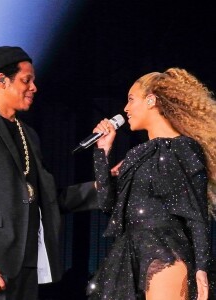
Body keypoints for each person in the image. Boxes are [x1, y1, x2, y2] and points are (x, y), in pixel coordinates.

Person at [0, 46, 96, 299]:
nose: (34, 87)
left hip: (27, 261)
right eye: (26, 80)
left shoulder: (29, 135)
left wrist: (100, 187)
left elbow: (47, 198)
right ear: (1, 81)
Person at [87, 68, 216, 300]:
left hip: (165, 251)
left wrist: (202, 267)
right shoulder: (136, 154)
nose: (125, 108)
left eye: (131, 99)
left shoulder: (183, 148)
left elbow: (196, 214)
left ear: (151, 100)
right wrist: (102, 153)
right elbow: (109, 206)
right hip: (129, 254)